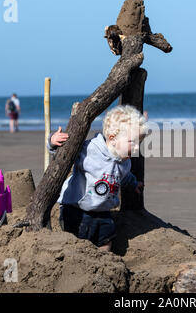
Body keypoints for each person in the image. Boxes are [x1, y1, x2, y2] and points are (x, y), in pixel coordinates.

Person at [47, 105, 148, 252]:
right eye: (132, 142)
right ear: (113, 138)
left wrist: (133, 184)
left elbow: (123, 176)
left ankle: (103, 263)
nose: (137, 148)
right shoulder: (89, 150)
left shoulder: (125, 161)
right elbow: (63, 151)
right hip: (76, 209)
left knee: (106, 240)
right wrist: (52, 141)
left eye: (139, 143)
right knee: (77, 240)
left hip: (103, 211)